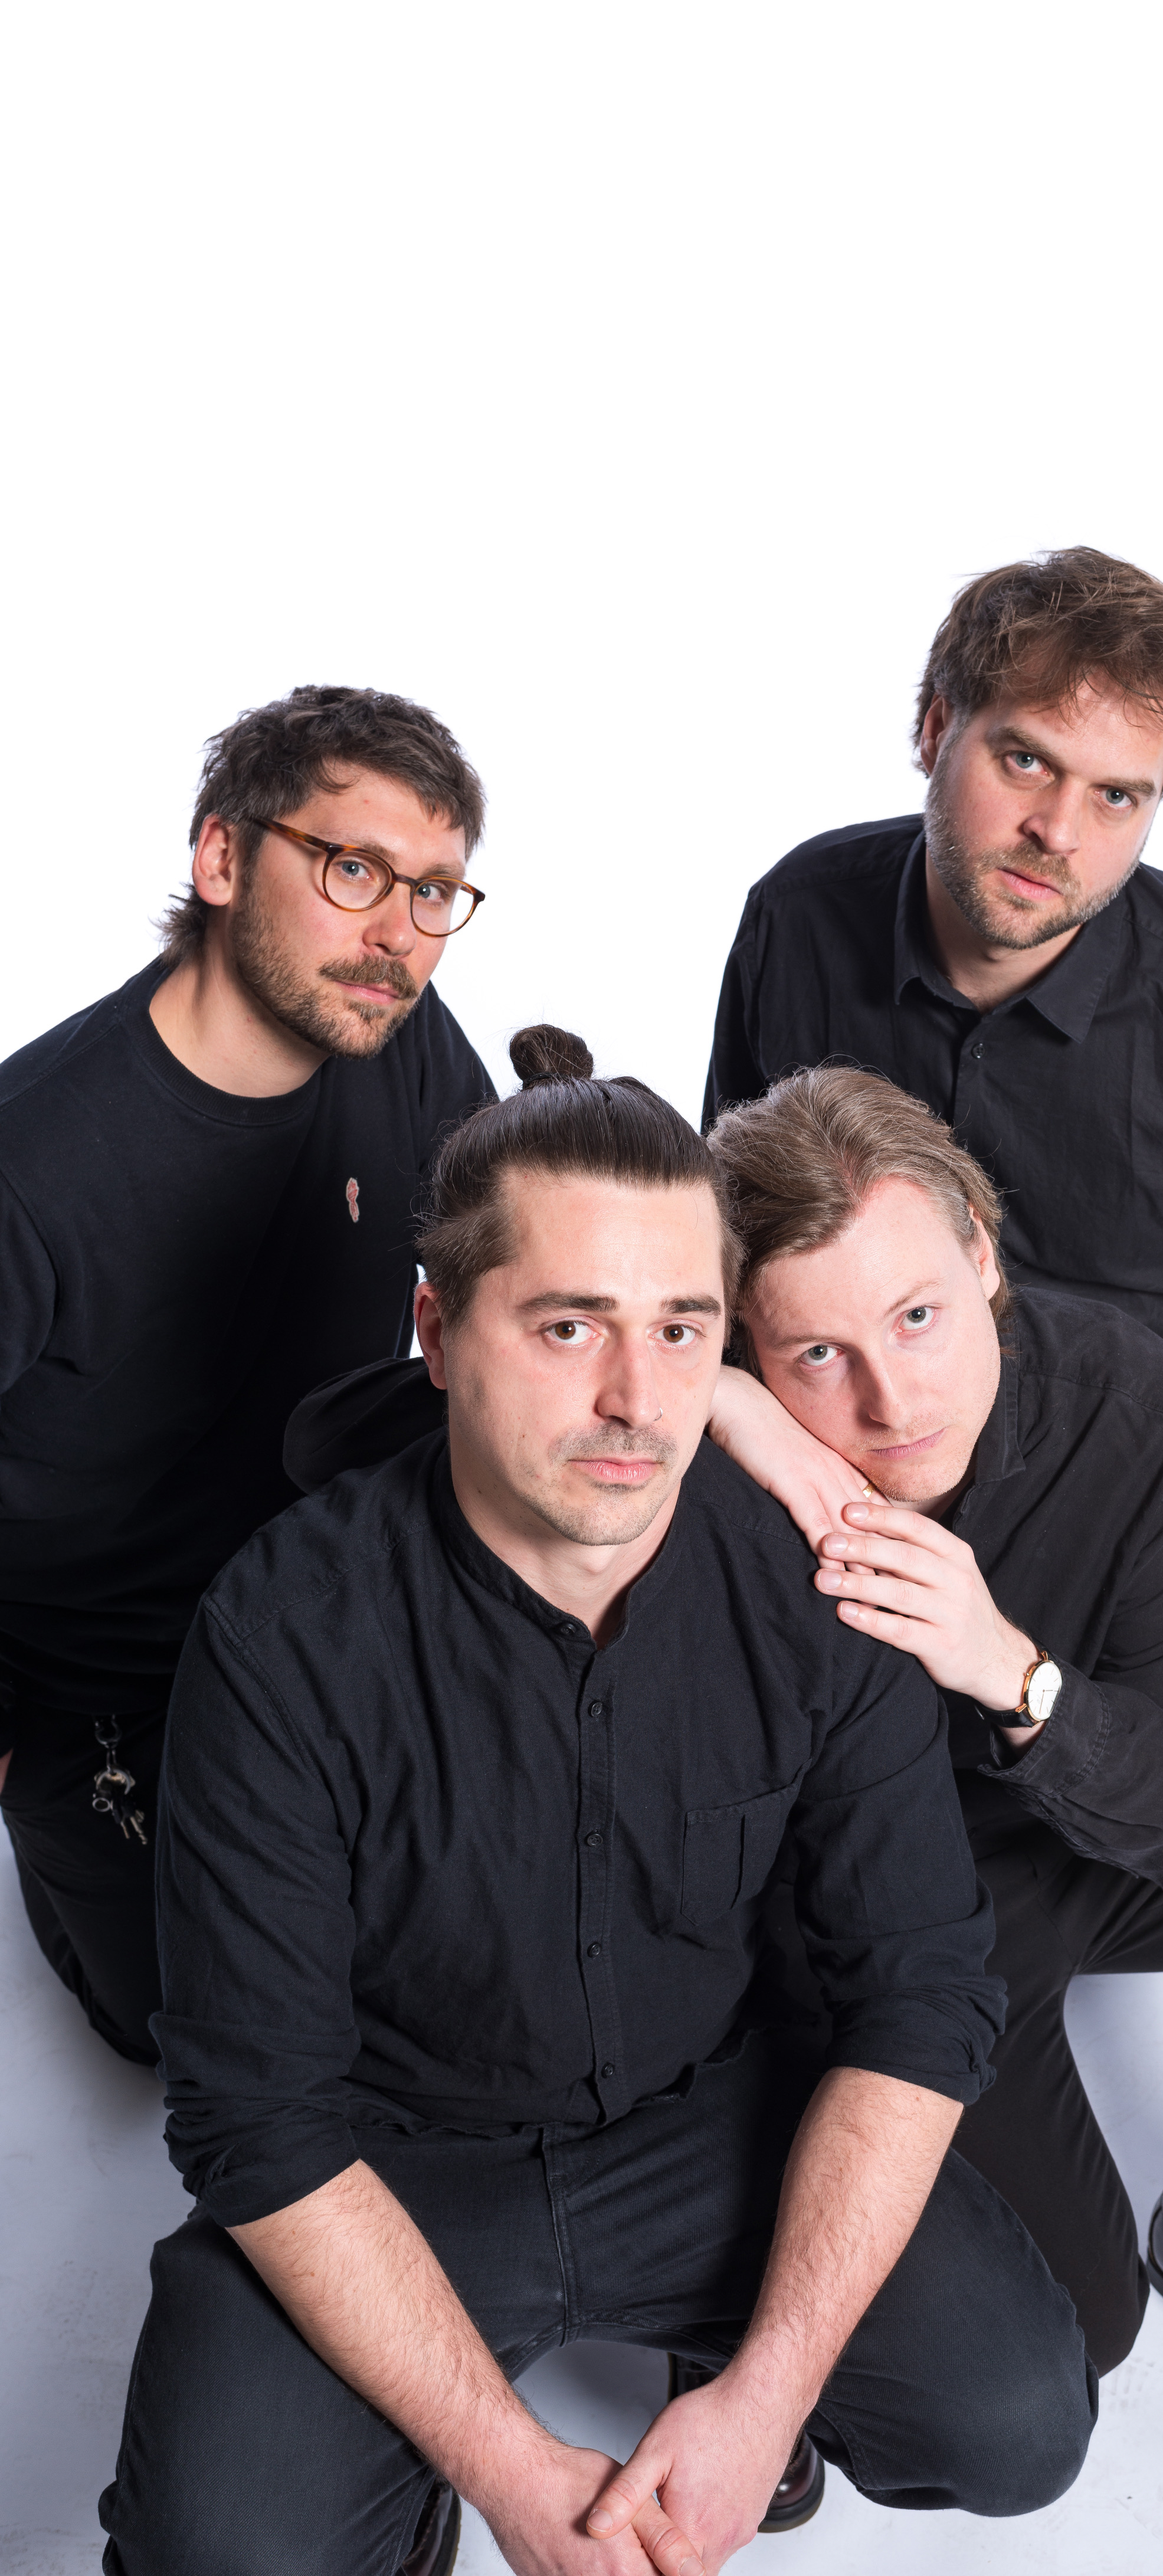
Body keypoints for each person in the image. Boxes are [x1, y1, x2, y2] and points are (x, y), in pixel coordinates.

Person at [100, 1030, 1095, 2576]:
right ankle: (404, 2482)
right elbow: (258, 2117)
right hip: (396, 2155)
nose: (637, 1399)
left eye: (681, 1329)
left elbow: (922, 1995)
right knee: (222, 2548)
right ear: (438, 1332)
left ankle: (706, 2357)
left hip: (709, 2125)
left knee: (1020, 2416)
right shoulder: (283, 1629)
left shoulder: (814, 1582)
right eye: (569, 1326)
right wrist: (508, 2469)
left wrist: (764, 2397)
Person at [694, 1065, 1163, 2486]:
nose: (890, 1397)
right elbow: (397, 1419)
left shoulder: (1130, 1403)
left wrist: (1011, 1669)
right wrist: (710, 1400)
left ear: (982, 1254)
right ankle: (720, 2306)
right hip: (893, 1916)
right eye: (814, 1354)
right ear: (741, 1338)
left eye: (917, 1315)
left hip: (1080, 1817)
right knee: (1076, 2332)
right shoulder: (701, 1449)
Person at [703, 547, 1163, 1723]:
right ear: (936, 728)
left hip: (1154, 1576)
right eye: (1025, 759)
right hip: (855, 1541)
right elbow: (729, 1232)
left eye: (1117, 796)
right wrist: (737, 1416)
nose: (1057, 830)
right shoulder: (799, 917)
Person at [0, 684, 496, 2063]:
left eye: (435, 891)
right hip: (115, 1689)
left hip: (339, 1606)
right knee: (210, 2029)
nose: (399, 935)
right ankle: (69, 1866)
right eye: (354, 870)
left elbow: (527, 1252)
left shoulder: (393, 1035)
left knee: (454, 1967)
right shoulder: (35, 1161)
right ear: (222, 857)